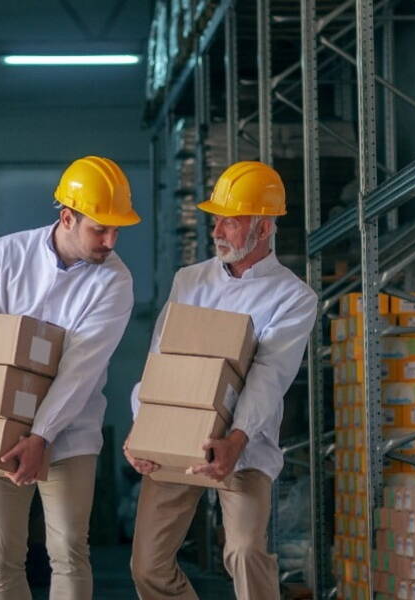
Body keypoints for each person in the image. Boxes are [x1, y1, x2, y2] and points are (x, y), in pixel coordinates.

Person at [0, 155, 140, 600]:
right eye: (99, 228)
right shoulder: (10, 254)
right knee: (1, 555)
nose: (111, 239)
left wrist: (42, 435)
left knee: (67, 551)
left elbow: (78, 371)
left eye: (116, 229)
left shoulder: (114, 282)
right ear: (67, 217)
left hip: (71, 431)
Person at [125, 161, 315, 600]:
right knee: (147, 566)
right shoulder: (189, 281)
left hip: (244, 446)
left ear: (264, 227)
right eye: (217, 219)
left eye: (231, 220)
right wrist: (142, 426)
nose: (218, 230)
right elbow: (162, 358)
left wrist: (236, 439)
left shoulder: (293, 296)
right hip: (177, 436)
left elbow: (269, 375)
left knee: (246, 552)